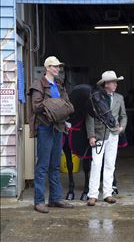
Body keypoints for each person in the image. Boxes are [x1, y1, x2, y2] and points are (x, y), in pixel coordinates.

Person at [28, 56, 73, 213]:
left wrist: (55, 108)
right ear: (47, 67)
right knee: (42, 166)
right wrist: (57, 106)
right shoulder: (38, 85)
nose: (57, 69)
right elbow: (37, 107)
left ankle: (55, 199)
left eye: (58, 67)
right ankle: (39, 201)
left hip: (58, 127)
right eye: (54, 66)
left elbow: (67, 105)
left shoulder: (59, 85)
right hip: (45, 128)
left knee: (54, 165)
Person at [86, 70, 127, 206]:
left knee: (110, 164)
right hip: (99, 134)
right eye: (113, 82)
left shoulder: (119, 98)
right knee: (96, 164)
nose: (115, 84)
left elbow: (123, 115)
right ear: (106, 84)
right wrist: (91, 135)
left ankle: (107, 193)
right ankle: (92, 194)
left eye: (115, 82)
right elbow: (90, 117)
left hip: (114, 134)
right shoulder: (97, 97)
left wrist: (122, 127)